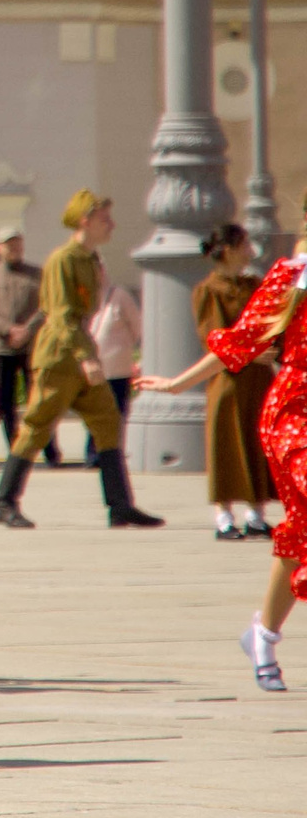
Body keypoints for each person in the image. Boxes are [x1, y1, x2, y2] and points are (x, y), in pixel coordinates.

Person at [139, 212, 307, 690]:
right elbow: (240, 342)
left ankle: (263, 635)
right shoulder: (294, 275)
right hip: (295, 412)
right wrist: (177, 384)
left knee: (301, 534)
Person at [0, 190, 162, 530]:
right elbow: (61, 316)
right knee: (37, 427)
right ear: (85, 221)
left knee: (108, 421)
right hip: (59, 357)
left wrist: (87, 355)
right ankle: (4, 502)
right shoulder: (63, 259)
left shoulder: (89, 259)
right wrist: (86, 357)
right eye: (105, 219)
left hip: (80, 352)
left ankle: (120, 505)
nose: (111, 224)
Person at [192, 225, 278, 540]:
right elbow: (215, 338)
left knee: (259, 442)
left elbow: (273, 322)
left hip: (259, 380)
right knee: (227, 445)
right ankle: (224, 517)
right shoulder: (209, 290)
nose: (249, 250)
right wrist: (252, 354)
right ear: (228, 250)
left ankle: (256, 515)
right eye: (243, 244)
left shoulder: (254, 285)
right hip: (228, 380)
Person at [0, 228, 42, 453]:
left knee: (38, 399)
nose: (14, 248)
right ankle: (15, 448)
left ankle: (46, 448)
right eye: (8, 245)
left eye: (17, 244)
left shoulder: (36, 274)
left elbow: (46, 306)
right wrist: (9, 330)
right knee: (6, 401)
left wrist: (27, 330)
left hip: (31, 347)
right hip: (2, 348)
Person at [91, 274, 144, 467]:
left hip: (118, 368)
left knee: (117, 412)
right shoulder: (82, 296)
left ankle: (112, 453)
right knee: (94, 411)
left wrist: (134, 355)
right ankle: (93, 453)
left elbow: (138, 327)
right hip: (92, 368)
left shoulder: (119, 295)